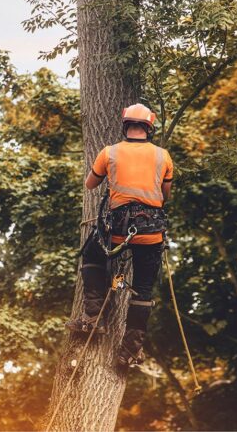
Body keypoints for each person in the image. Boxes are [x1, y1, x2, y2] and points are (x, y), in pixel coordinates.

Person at [66, 103, 174, 368]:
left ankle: (93, 318)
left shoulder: (109, 152)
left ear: (125, 126)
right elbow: (165, 195)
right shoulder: (163, 156)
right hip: (151, 233)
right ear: (149, 128)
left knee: (92, 254)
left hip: (117, 230)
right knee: (144, 288)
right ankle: (129, 350)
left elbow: (90, 184)